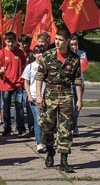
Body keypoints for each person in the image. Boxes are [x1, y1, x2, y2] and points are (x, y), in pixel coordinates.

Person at [36, 28, 82, 173]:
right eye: (56, 39)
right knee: (47, 127)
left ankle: (64, 160)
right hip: (50, 94)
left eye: (61, 40)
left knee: (65, 128)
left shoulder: (74, 59)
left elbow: (78, 80)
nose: (57, 42)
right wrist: (38, 95)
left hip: (66, 94)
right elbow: (39, 77)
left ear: (67, 41)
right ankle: (50, 151)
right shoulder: (47, 56)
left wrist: (79, 99)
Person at [0, 32, 27, 137]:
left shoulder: (20, 53)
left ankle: (21, 128)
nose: (10, 44)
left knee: (19, 106)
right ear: (5, 41)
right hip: (5, 85)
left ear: (15, 41)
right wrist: (1, 71)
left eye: (12, 41)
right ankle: (7, 127)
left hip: (18, 84)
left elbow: (24, 67)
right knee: (6, 107)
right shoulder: (1, 53)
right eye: (8, 41)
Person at [22, 45, 46, 153]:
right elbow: (26, 82)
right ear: (34, 54)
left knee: (46, 120)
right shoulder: (30, 67)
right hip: (34, 97)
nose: (39, 54)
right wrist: (29, 95)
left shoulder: (47, 66)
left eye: (41, 52)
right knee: (38, 120)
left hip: (45, 96)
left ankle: (45, 140)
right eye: (37, 52)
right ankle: (39, 142)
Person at [69, 34, 87, 135]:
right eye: (71, 44)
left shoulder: (82, 54)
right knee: (70, 106)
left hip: (79, 83)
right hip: (69, 83)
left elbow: (83, 66)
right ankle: (70, 126)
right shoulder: (66, 55)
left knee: (77, 105)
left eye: (75, 44)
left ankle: (74, 125)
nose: (73, 47)